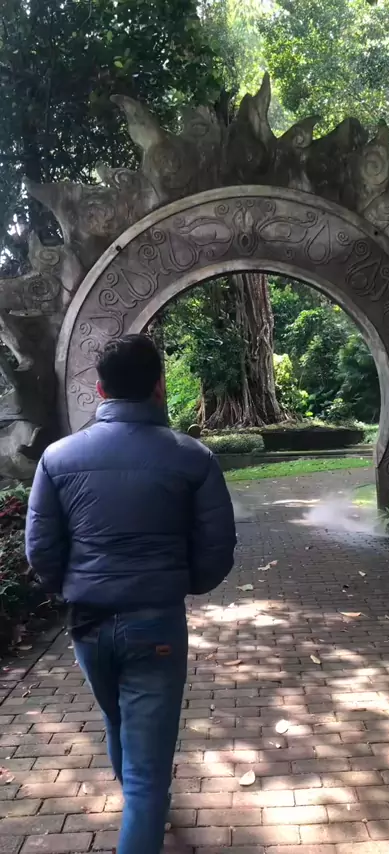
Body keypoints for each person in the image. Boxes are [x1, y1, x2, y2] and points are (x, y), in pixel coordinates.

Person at [25, 333, 236, 854]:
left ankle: (143, 817)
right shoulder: (194, 458)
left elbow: (41, 549)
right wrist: (182, 583)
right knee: (147, 778)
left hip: (87, 624)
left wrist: (71, 590)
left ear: (100, 389)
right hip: (156, 622)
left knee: (116, 719)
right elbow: (217, 549)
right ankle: (144, 817)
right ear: (160, 386)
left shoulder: (56, 457)